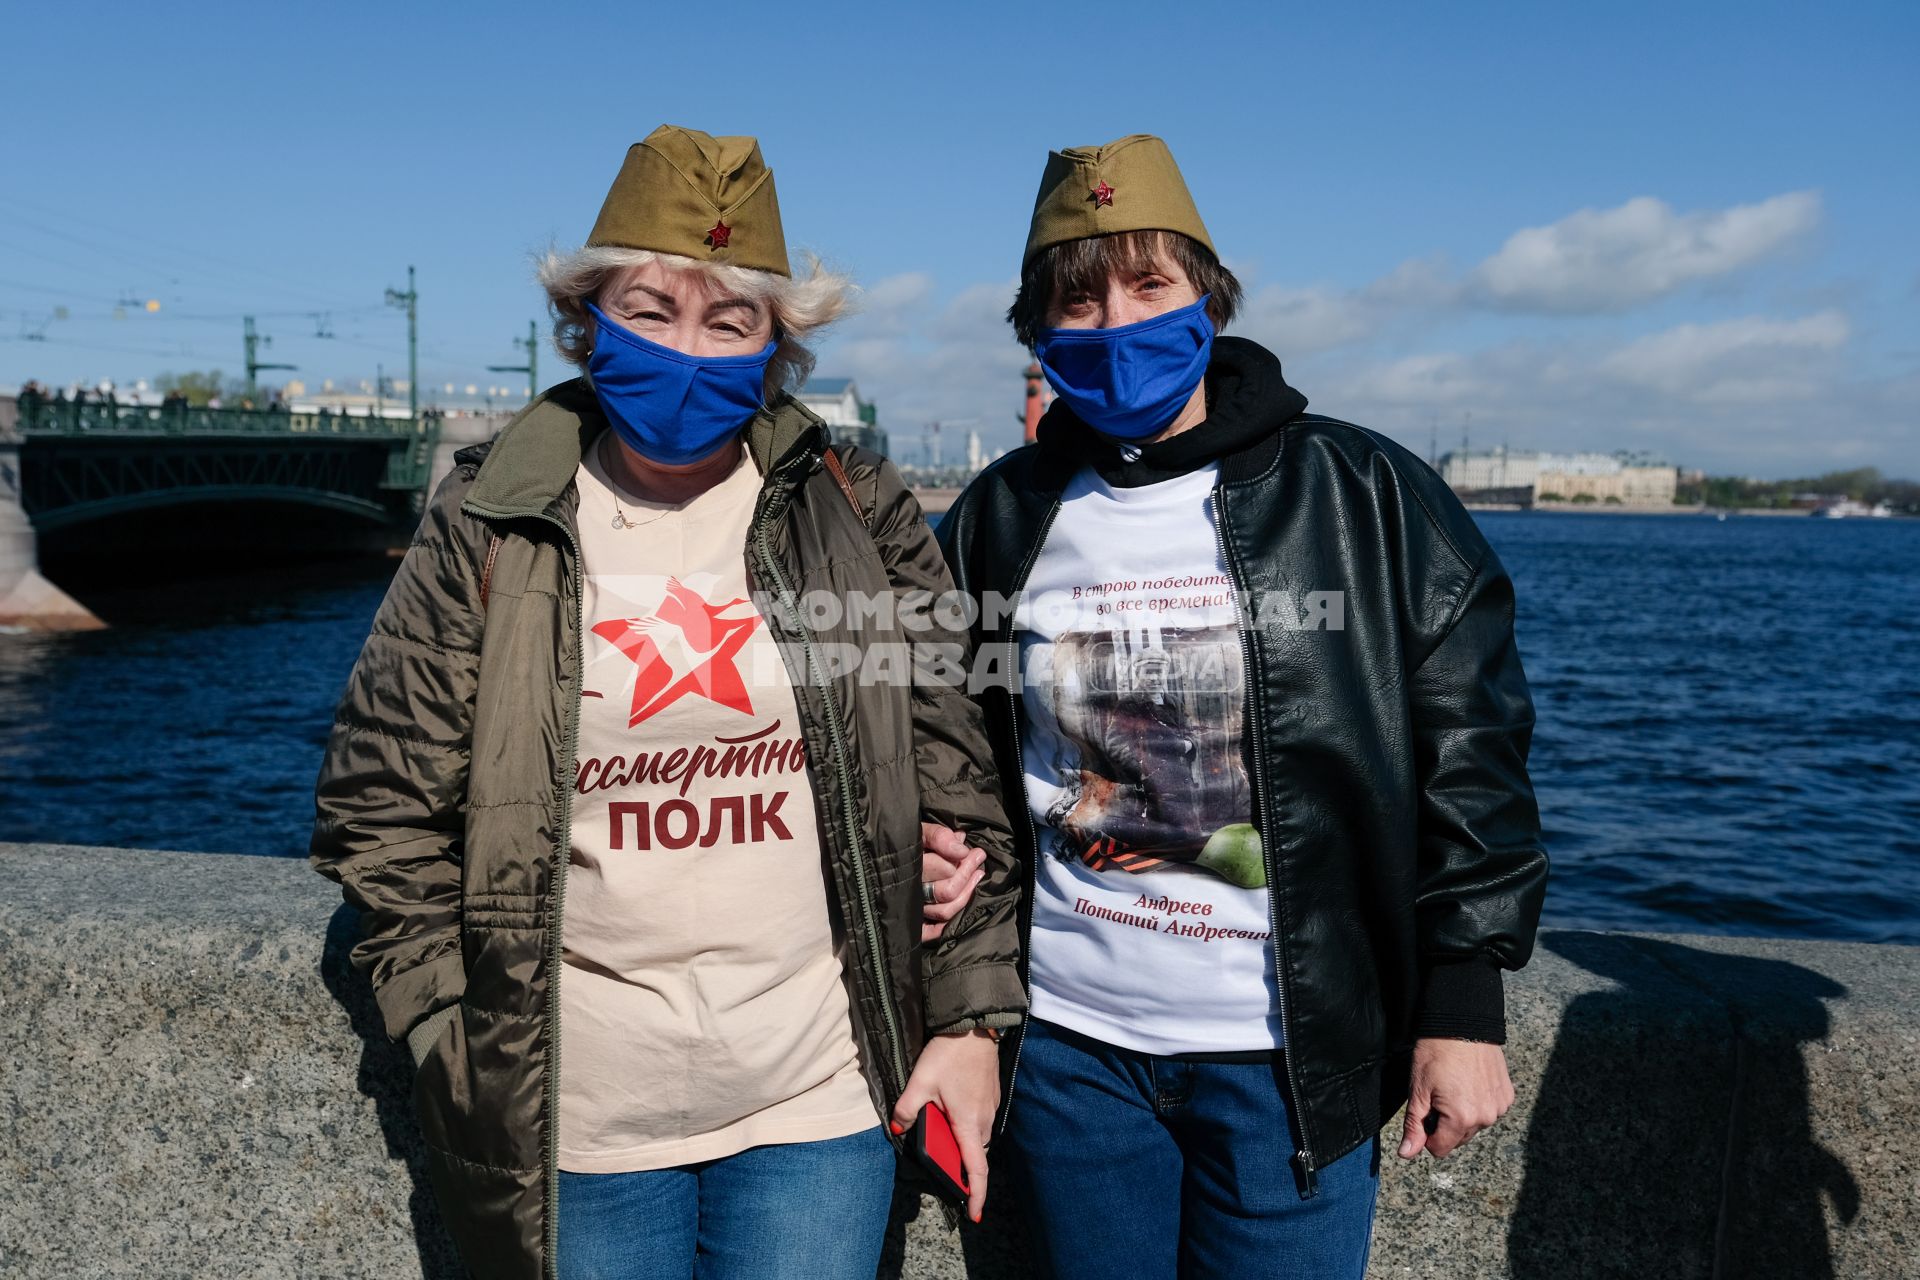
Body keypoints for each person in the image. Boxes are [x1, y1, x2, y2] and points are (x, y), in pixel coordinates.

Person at [310, 126, 1022, 1280]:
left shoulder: (855, 507)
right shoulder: (493, 514)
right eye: (649, 311)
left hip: (819, 1101)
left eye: (727, 322)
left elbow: (961, 778)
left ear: (777, 347)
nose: (685, 352)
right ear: (587, 320)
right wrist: (453, 1037)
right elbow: (380, 803)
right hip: (578, 1119)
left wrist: (969, 1020)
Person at [936, 134, 1549, 1279]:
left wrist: (1463, 1000)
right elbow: (950, 742)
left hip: (1284, 1064)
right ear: (1037, 328)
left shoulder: (1364, 493)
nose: (1115, 321)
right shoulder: (1005, 511)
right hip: (1071, 1054)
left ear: (1207, 301)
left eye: (1147, 283)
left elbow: (1474, 752)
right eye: (1079, 297)